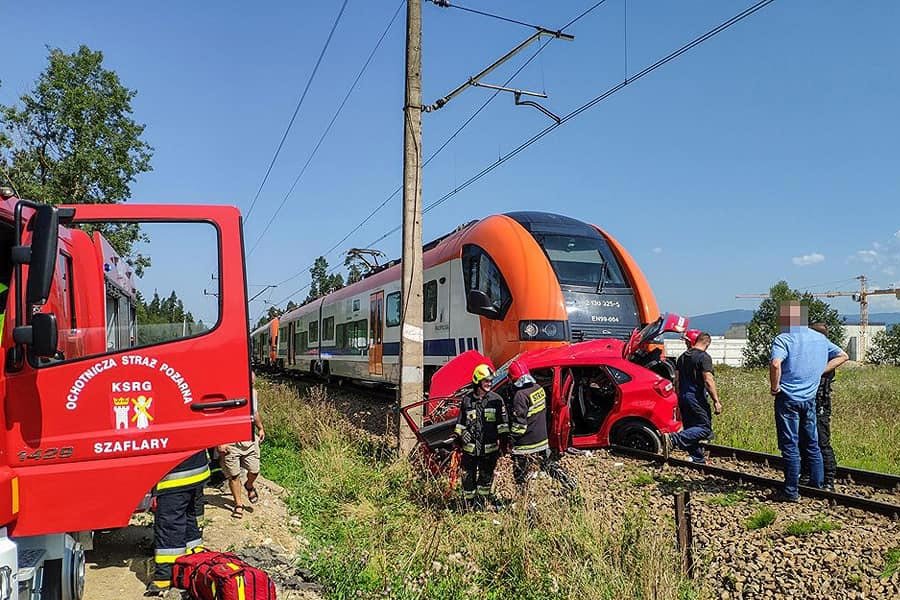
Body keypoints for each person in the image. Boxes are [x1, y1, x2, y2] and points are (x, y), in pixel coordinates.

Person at [770, 301, 848, 502]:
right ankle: (818, 486)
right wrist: (819, 370)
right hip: (810, 398)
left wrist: (774, 386)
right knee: (812, 443)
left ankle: (791, 491)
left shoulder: (783, 338)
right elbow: (843, 355)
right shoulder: (819, 339)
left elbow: (776, 363)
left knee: (790, 444)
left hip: (787, 398)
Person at [147, 450, 210, 596]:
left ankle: (166, 576)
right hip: (197, 469)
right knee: (189, 518)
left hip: (174, 476)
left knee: (169, 524)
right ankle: (194, 562)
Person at [797, 321, 847, 491]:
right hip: (807, 400)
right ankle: (807, 473)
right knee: (804, 438)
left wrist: (818, 371)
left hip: (820, 402)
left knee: (821, 440)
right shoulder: (814, 353)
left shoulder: (827, 354)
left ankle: (828, 479)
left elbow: (843, 356)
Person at [454, 363, 509, 508]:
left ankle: (481, 505)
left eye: (490, 381)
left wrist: (504, 446)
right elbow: (460, 423)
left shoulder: (496, 400)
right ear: (478, 381)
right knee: (467, 478)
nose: (489, 384)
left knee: (485, 479)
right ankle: (468, 505)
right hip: (470, 451)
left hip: (489, 450)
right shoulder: (467, 400)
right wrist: (461, 435)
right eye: (486, 381)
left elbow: (503, 426)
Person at [663, 332, 722, 464]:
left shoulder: (682, 357)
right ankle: (673, 439)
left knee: (691, 428)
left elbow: (676, 381)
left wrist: (678, 399)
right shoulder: (704, 357)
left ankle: (697, 458)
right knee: (704, 429)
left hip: (683, 396)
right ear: (707, 343)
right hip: (696, 397)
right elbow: (708, 380)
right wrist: (716, 401)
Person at [218, 372, 266, 519]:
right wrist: (219, 441)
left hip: (248, 438)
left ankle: (249, 485)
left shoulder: (253, 393)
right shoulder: (224, 395)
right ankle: (238, 504)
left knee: (254, 470)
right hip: (229, 440)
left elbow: (254, 412)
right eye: (249, 382)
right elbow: (218, 419)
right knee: (234, 475)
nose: (251, 385)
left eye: (252, 383)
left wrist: (260, 427)